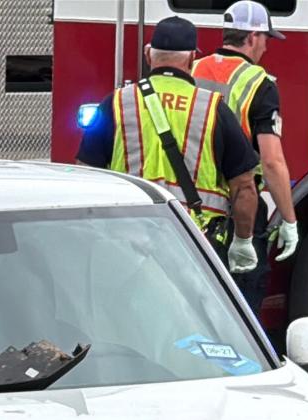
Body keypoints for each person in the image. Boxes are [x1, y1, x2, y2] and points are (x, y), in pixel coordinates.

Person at [76, 16, 260, 276]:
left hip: (123, 243)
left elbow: (86, 177)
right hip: (194, 244)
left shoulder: (116, 103)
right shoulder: (212, 108)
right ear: (191, 60)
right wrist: (242, 241)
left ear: (149, 55)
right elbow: (244, 187)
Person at [191, 0, 299, 309]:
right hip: (238, 211)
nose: (266, 47)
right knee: (239, 311)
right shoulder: (260, 85)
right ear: (252, 37)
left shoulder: (192, 70)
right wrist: (290, 220)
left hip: (187, 208)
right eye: (266, 38)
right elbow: (271, 160)